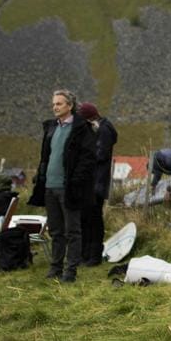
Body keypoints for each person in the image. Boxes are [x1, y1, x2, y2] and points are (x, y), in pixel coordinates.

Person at [28, 89, 98, 282]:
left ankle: (70, 271)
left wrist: (75, 182)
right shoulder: (51, 127)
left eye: (59, 104)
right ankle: (55, 268)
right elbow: (46, 156)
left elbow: (88, 159)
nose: (55, 107)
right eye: (53, 104)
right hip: (50, 186)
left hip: (69, 189)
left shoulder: (82, 128)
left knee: (72, 231)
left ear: (70, 105)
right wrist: (41, 176)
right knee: (56, 231)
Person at [77, 102, 118, 266]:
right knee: (85, 219)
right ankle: (85, 254)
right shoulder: (99, 129)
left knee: (93, 220)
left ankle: (93, 256)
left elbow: (100, 155)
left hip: (96, 184)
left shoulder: (104, 130)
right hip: (90, 183)